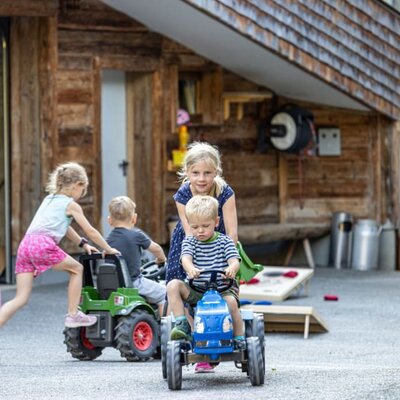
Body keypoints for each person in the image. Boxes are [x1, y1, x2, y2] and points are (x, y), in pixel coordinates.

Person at [0, 162, 120, 328]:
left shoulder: (49, 199)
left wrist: (82, 243)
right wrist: (109, 249)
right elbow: (91, 230)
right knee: (77, 269)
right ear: (77, 185)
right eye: (83, 190)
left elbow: (65, 226)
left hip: (25, 245)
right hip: (42, 244)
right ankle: (73, 314)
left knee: (20, 299)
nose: (82, 194)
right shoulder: (71, 205)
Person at [166, 141, 239, 373]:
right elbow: (189, 232)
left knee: (222, 297)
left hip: (219, 244)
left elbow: (232, 230)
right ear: (187, 172)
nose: (201, 178)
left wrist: (230, 260)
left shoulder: (225, 192)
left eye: (207, 173)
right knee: (186, 295)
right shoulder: (183, 194)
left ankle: (221, 340)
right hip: (188, 245)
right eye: (195, 173)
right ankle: (193, 345)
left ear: (216, 172)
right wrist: (191, 263)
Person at [106, 196, 167, 315]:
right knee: (165, 294)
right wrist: (161, 259)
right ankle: (164, 329)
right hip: (134, 283)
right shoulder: (136, 235)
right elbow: (156, 248)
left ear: (110, 220)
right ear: (134, 218)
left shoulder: (107, 240)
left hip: (113, 285)